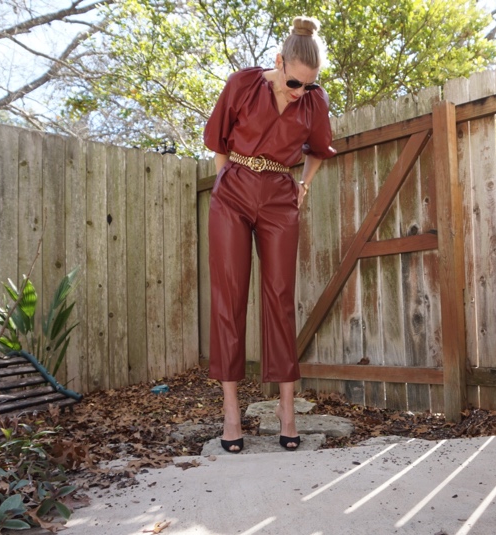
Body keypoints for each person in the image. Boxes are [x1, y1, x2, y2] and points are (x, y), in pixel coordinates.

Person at [203, 16, 335, 453]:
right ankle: (231, 411)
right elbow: (218, 142)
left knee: (279, 296)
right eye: (295, 83)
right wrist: (225, 187)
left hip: (280, 193)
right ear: (278, 62)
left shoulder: (314, 102)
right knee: (230, 296)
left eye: (309, 86)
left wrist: (305, 185)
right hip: (234, 191)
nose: (301, 92)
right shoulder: (242, 84)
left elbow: (318, 151)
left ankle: (287, 410)